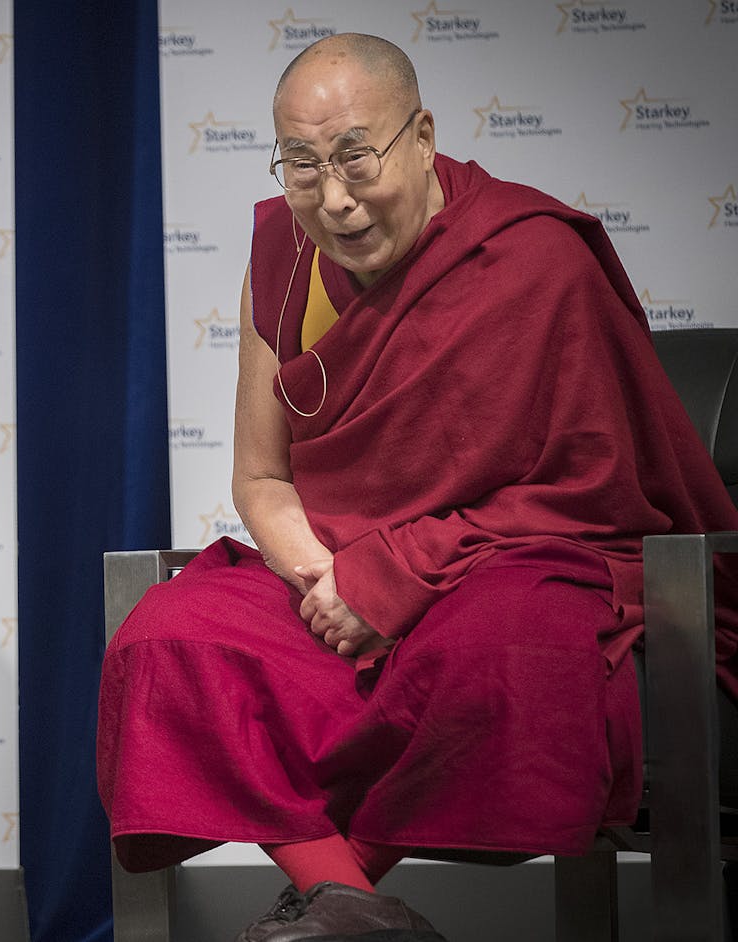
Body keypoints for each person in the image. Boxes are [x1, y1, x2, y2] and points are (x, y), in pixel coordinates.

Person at [96, 33, 738, 941]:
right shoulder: (281, 259)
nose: (336, 199)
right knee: (171, 635)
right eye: (304, 166)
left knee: (505, 647)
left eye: (357, 157)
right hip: (339, 568)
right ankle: (360, 911)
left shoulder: (531, 258)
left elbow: (593, 492)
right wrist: (331, 580)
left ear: (423, 135)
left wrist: (393, 578)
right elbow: (262, 474)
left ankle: (337, 899)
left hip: (509, 561)